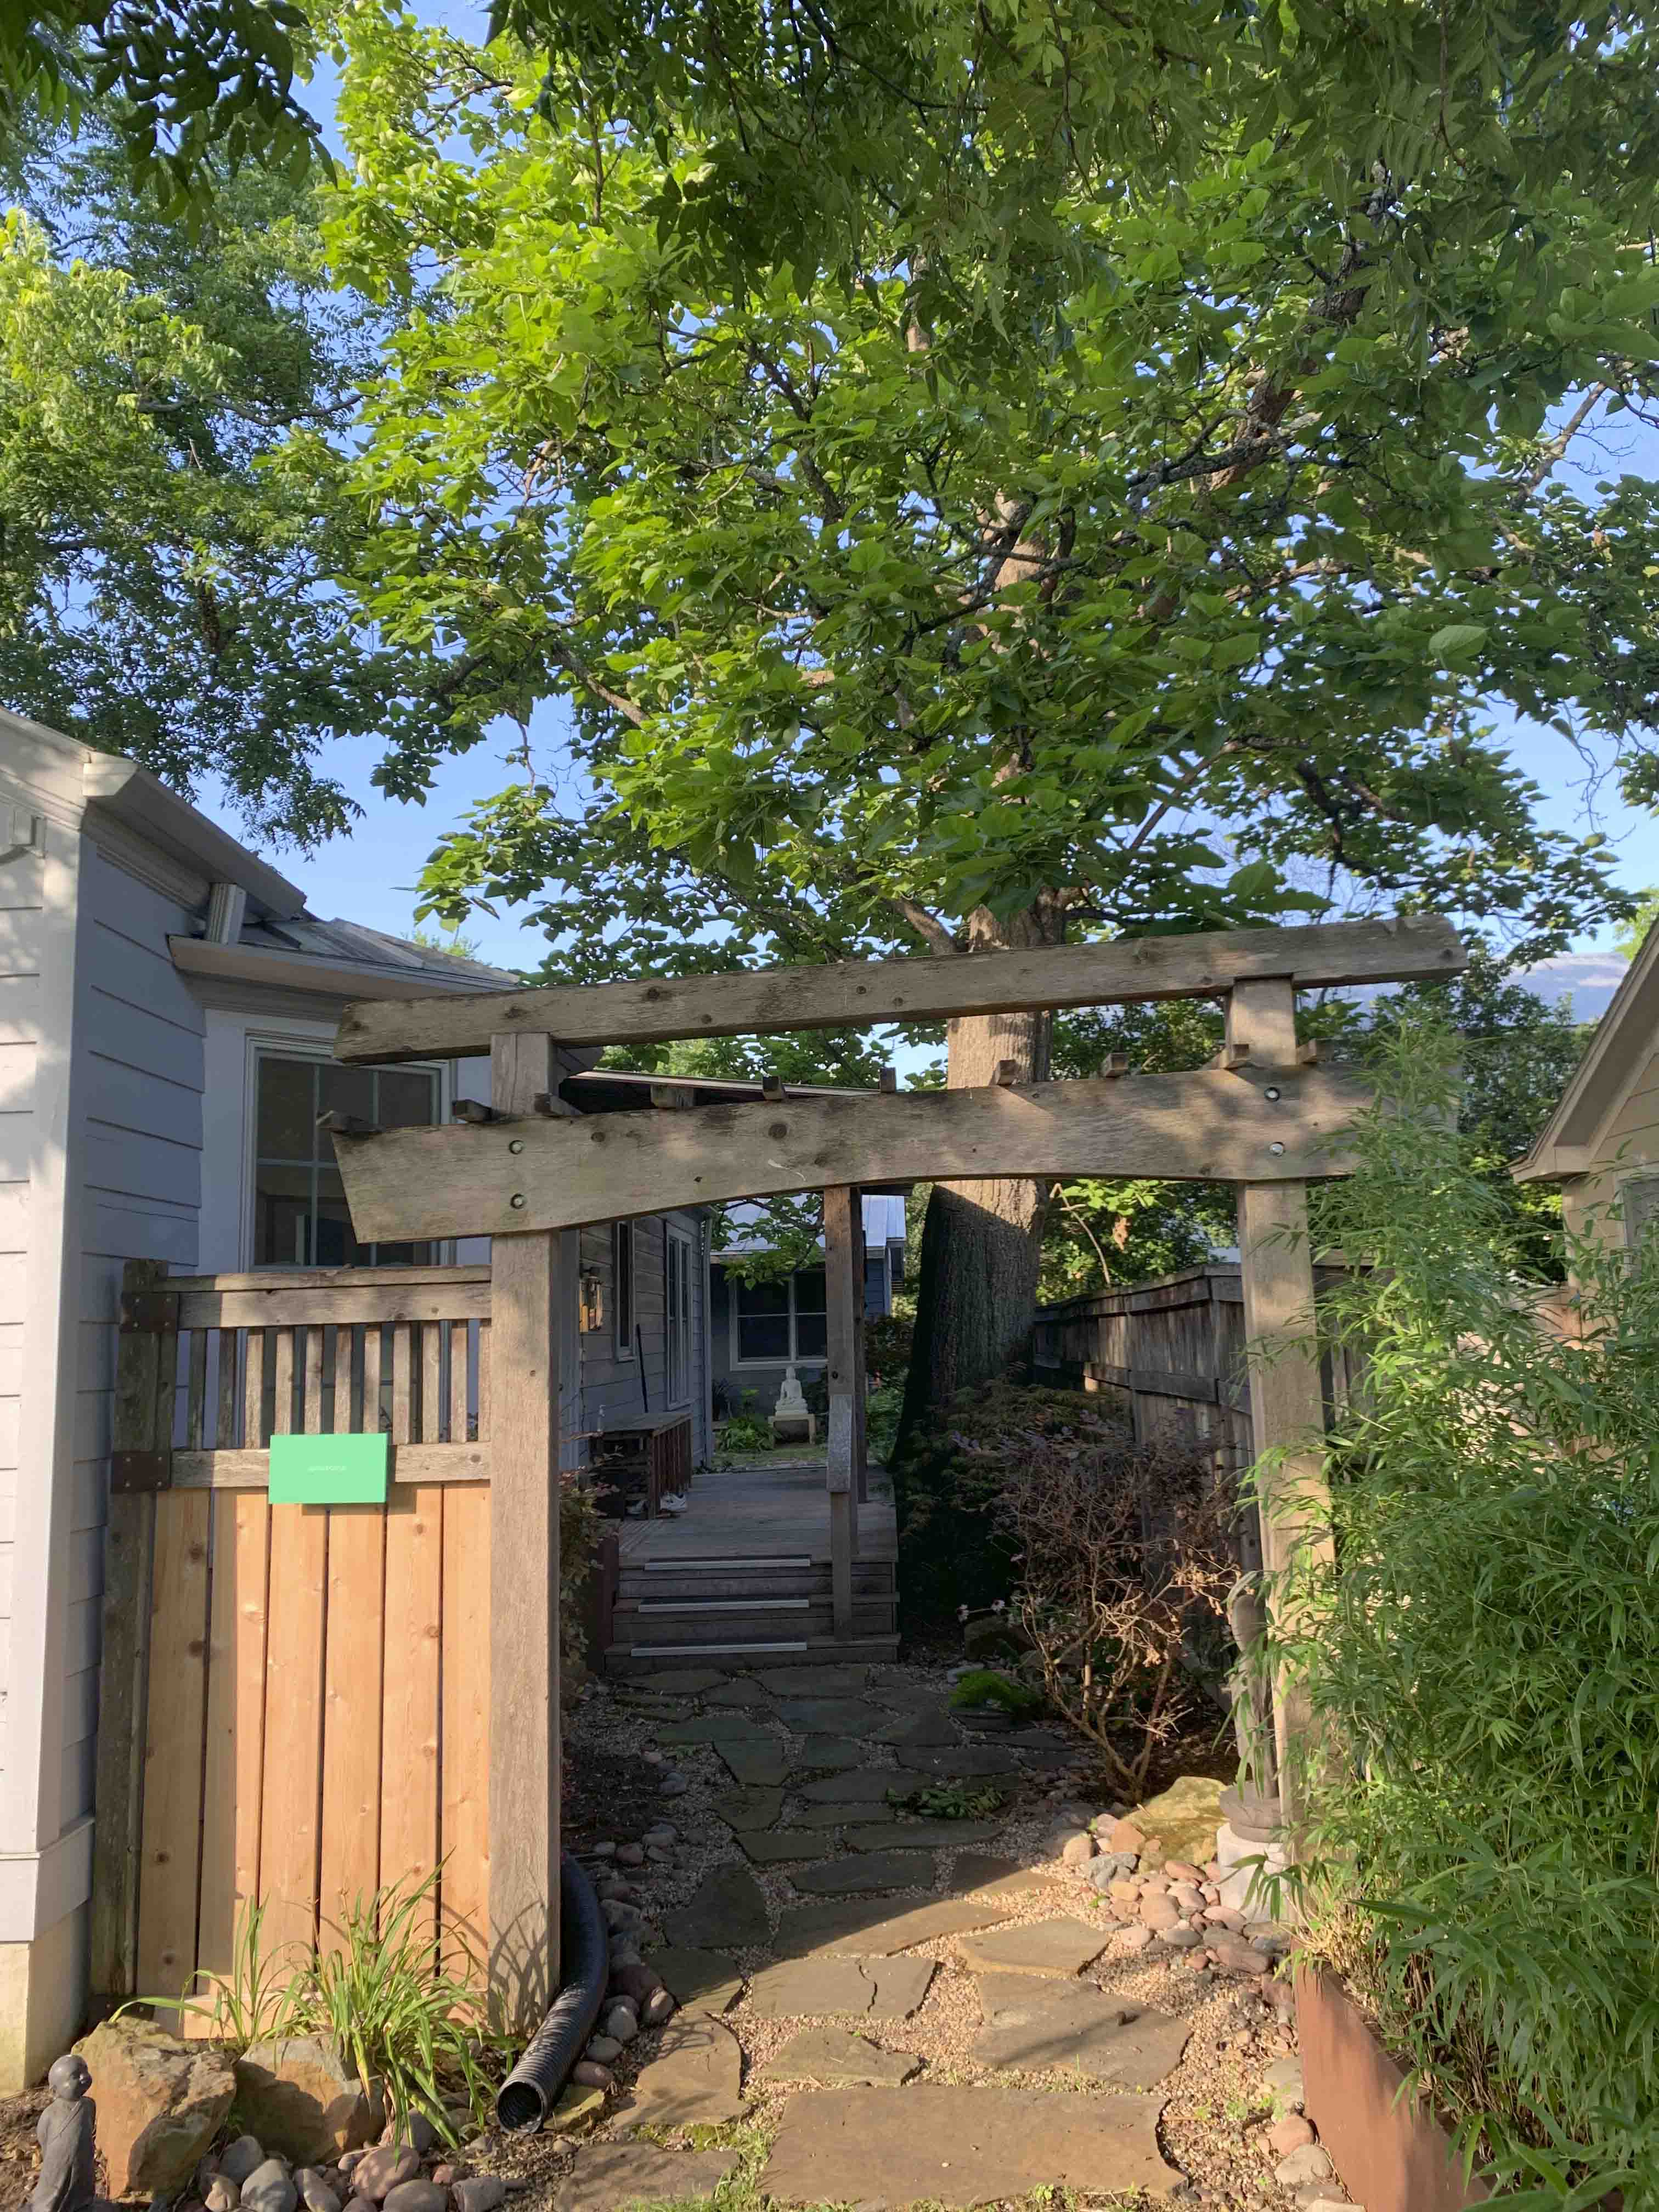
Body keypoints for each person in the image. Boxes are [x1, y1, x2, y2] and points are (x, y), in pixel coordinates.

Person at [27, 2054, 95, 2212]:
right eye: (75, 2076)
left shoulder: (89, 2105)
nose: (84, 2077)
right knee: (55, 2187)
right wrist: (52, 2155)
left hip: (82, 2157)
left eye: (85, 2071)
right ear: (55, 2090)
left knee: (82, 2180)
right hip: (57, 2161)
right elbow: (43, 2136)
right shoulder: (51, 2113)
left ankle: (80, 2203)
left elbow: (88, 2128)